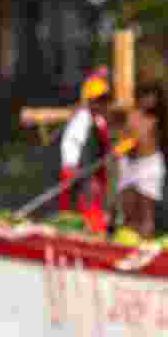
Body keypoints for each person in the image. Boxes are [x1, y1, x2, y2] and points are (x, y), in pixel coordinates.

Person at [59, 67, 116, 231]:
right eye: (99, 100)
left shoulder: (99, 120)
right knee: (81, 216)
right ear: (90, 101)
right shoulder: (83, 120)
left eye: (105, 100)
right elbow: (77, 148)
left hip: (95, 175)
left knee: (96, 214)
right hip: (80, 173)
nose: (103, 104)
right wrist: (83, 177)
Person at [115, 82, 168, 239]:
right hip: (129, 165)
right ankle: (127, 244)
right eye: (145, 95)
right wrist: (123, 145)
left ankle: (145, 243)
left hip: (149, 165)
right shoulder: (130, 114)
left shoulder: (159, 118)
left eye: (153, 96)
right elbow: (123, 137)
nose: (149, 100)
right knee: (128, 211)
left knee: (146, 214)